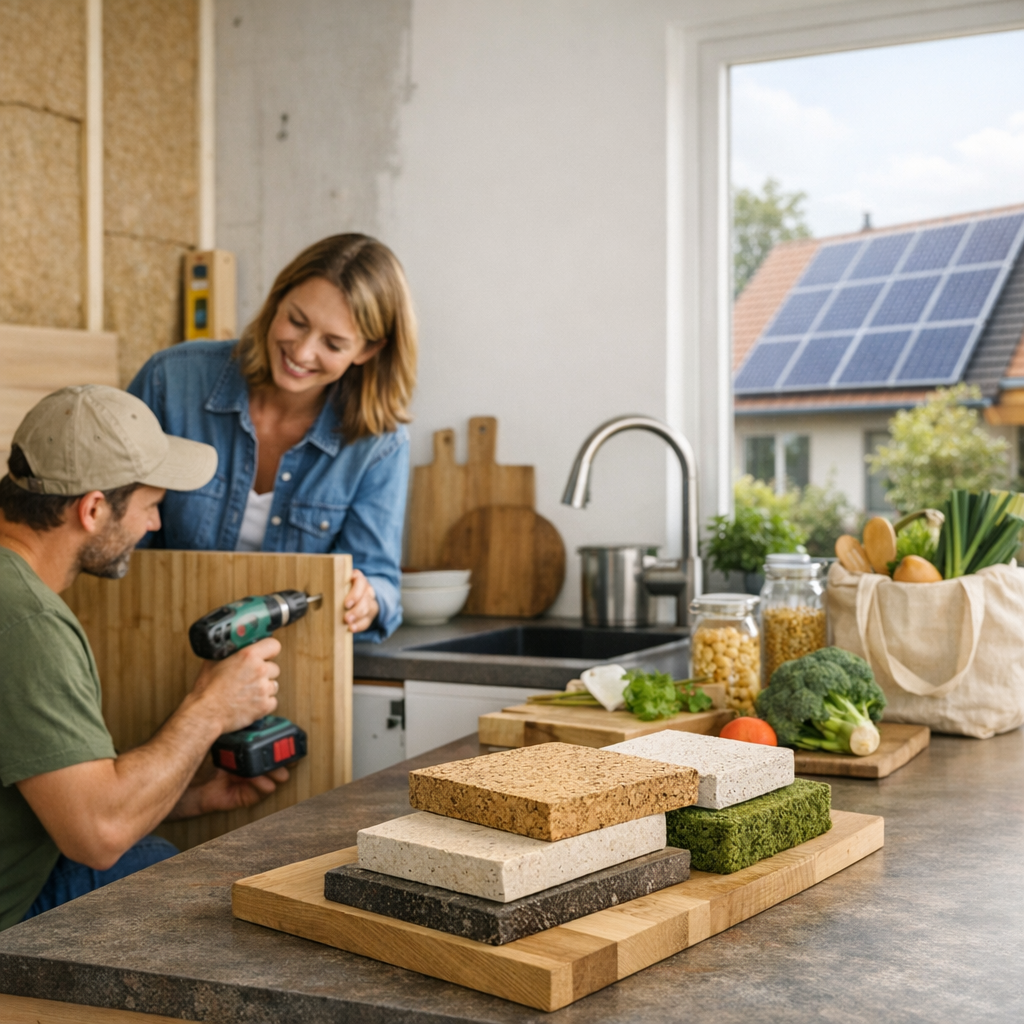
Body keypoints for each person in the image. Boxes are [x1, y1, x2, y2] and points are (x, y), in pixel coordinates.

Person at [0, 386, 287, 931]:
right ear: (92, 508)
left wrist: (192, 799)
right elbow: (97, 835)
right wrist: (211, 708)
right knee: (187, 893)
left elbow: (52, 798)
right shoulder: (26, 622)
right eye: (151, 506)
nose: (154, 525)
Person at [127, 233, 417, 641]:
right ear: (277, 299)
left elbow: (380, 578)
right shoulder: (170, 382)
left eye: (333, 344)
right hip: (153, 638)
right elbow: (112, 532)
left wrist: (368, 599)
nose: (301, 352)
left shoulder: (379, 442)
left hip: (298, 662)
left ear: (368, 351)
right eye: (296, 321)